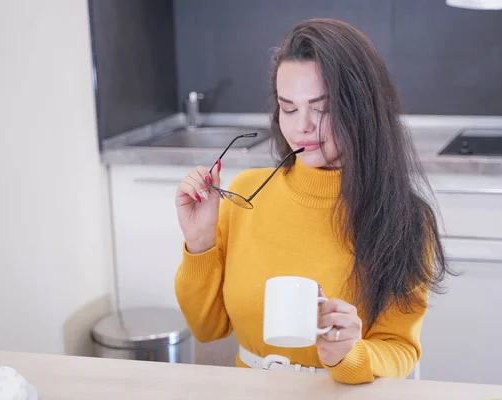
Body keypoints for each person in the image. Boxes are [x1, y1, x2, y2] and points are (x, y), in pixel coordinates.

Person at [174, 18, 449, 385]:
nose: (302, 126)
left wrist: (349, 354)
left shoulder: (407, 218)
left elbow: (400, 350)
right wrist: (199, 242)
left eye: (322, 108)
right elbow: (207, 329)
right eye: (289, 108)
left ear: (361, 108)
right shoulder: (245, 194)